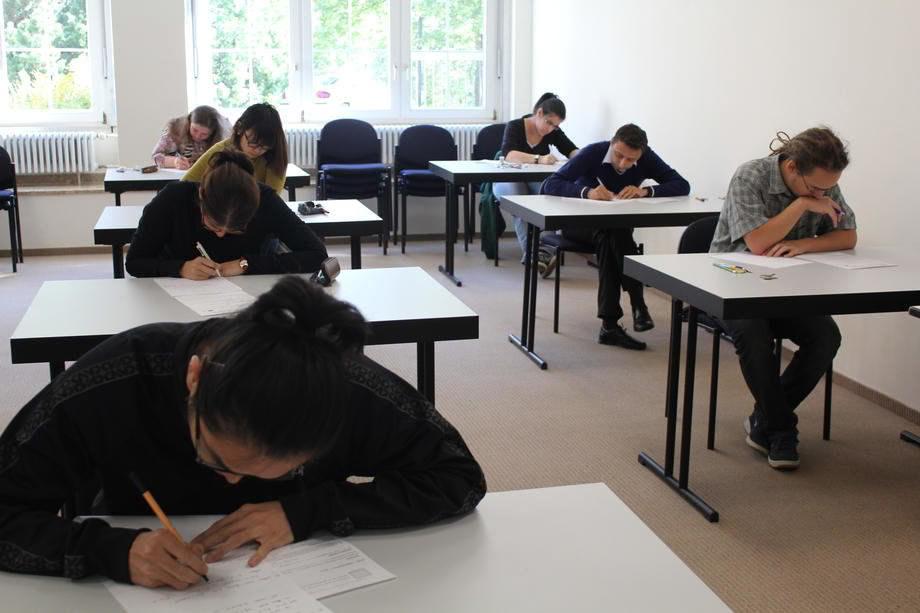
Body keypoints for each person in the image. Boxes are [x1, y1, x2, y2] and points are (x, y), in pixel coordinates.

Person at [0, 275, 487, 588]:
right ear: (194, 379)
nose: (233, 484)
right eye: (214, 459)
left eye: (284, 471)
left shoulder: (345, 388)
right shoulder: (113, 382)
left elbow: (459, 476)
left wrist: (309, 509)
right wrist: (109, 549)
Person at [710, 127, 856, 470]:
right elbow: (758, 244)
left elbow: (847, 236)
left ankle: (765, 419)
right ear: (791, 167)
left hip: (784, 287)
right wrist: (803, 205)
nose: (823, 193)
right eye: (815, 188)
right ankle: (781, 429)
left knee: (826, 336)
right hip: (730, 285)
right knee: (754, 335)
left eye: (827, 188)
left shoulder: (822, 181)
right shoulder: (751, 175)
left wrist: (803, 244)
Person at [542, 123, 690, 350]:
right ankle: (638, 304)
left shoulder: (647, 157)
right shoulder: (593, 152)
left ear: (641, 154)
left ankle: (609, 326)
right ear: (612, 144)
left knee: (610, 237)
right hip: (577, 225)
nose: (622, 164)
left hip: (613, 232)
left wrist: (646, 191)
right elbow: (550, 184)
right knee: (613, 234)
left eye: (630, 160)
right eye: (619, 155)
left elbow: (682, 185)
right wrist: (587, 193)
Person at [126, 150, 327, 279]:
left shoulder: (265, 200)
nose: (221, 234)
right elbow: (135, 262)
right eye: (212, 225)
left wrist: (245, 264)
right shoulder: (173, 199)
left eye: (235, 229)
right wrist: (180, 268)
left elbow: (317, 255)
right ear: (201, 195)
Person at [494, 92, 579, 265]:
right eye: (549, 123)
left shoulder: (552, 131)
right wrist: (538, 159)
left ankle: (542, 252)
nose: (551, 129)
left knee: (551, 196)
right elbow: (509, 154)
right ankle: (535, 254)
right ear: (539, 113)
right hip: (506, 181)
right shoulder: (515, 126)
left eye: (556, 126)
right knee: (519, 200)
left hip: (533, 181)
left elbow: (571, 150)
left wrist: (584, 158)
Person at [184, 102, 289, 194]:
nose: (258, 150)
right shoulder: (221, 151)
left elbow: (273, 199)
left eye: (264, 146)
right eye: (253, 142)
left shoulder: (274, 157)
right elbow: (185, 185)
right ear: (239, 128)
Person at [151, 105, 231, 170]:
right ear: (189, 122)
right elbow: (156, 157)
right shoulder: (174, 129)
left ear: (213, 133)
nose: (197, 136)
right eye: (194, 130)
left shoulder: (222, 138)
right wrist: (175, 162)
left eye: (204, 134)